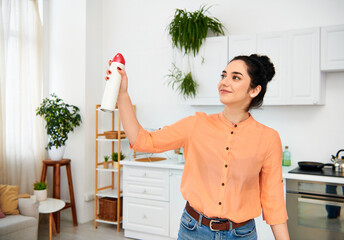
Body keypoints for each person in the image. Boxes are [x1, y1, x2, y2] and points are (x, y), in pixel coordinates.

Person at [105, 54, 290, 240]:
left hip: (242, 234)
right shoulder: (196, 124)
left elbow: (273, 202)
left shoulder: (268, 138)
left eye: (235, 77)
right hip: (193, 231)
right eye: (223, 75)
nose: (224, 82)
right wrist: (122, 94)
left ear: (254, 90)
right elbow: (142, 141)